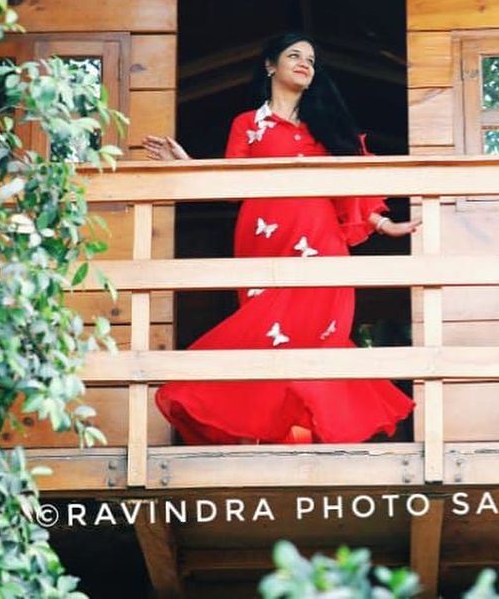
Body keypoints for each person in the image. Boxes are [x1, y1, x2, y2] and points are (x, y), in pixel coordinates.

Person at [143, 32, 416, 445]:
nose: (306, 63)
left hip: (321, 244)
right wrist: (186, 166)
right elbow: (229, 185)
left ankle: (307, 442)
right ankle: (269, 435)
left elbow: (348, 187)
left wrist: (382, 224)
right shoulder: (246, 125)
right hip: (261, 242)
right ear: (271, 65)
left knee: (316, 335)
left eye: (311, 58)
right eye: (295, 55)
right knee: (262, 336)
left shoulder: (325, 126)